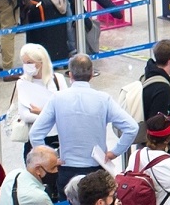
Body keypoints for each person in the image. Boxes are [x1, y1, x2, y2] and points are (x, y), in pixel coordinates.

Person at [31, 55, 133, 186]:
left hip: (67, 169)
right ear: (91, 74)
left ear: (70, 74)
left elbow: (35, 133)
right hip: (96, 168)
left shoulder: (57, 98)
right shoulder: (103, 99)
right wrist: (115, 152)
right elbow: (131, 128)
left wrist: (49, 160)